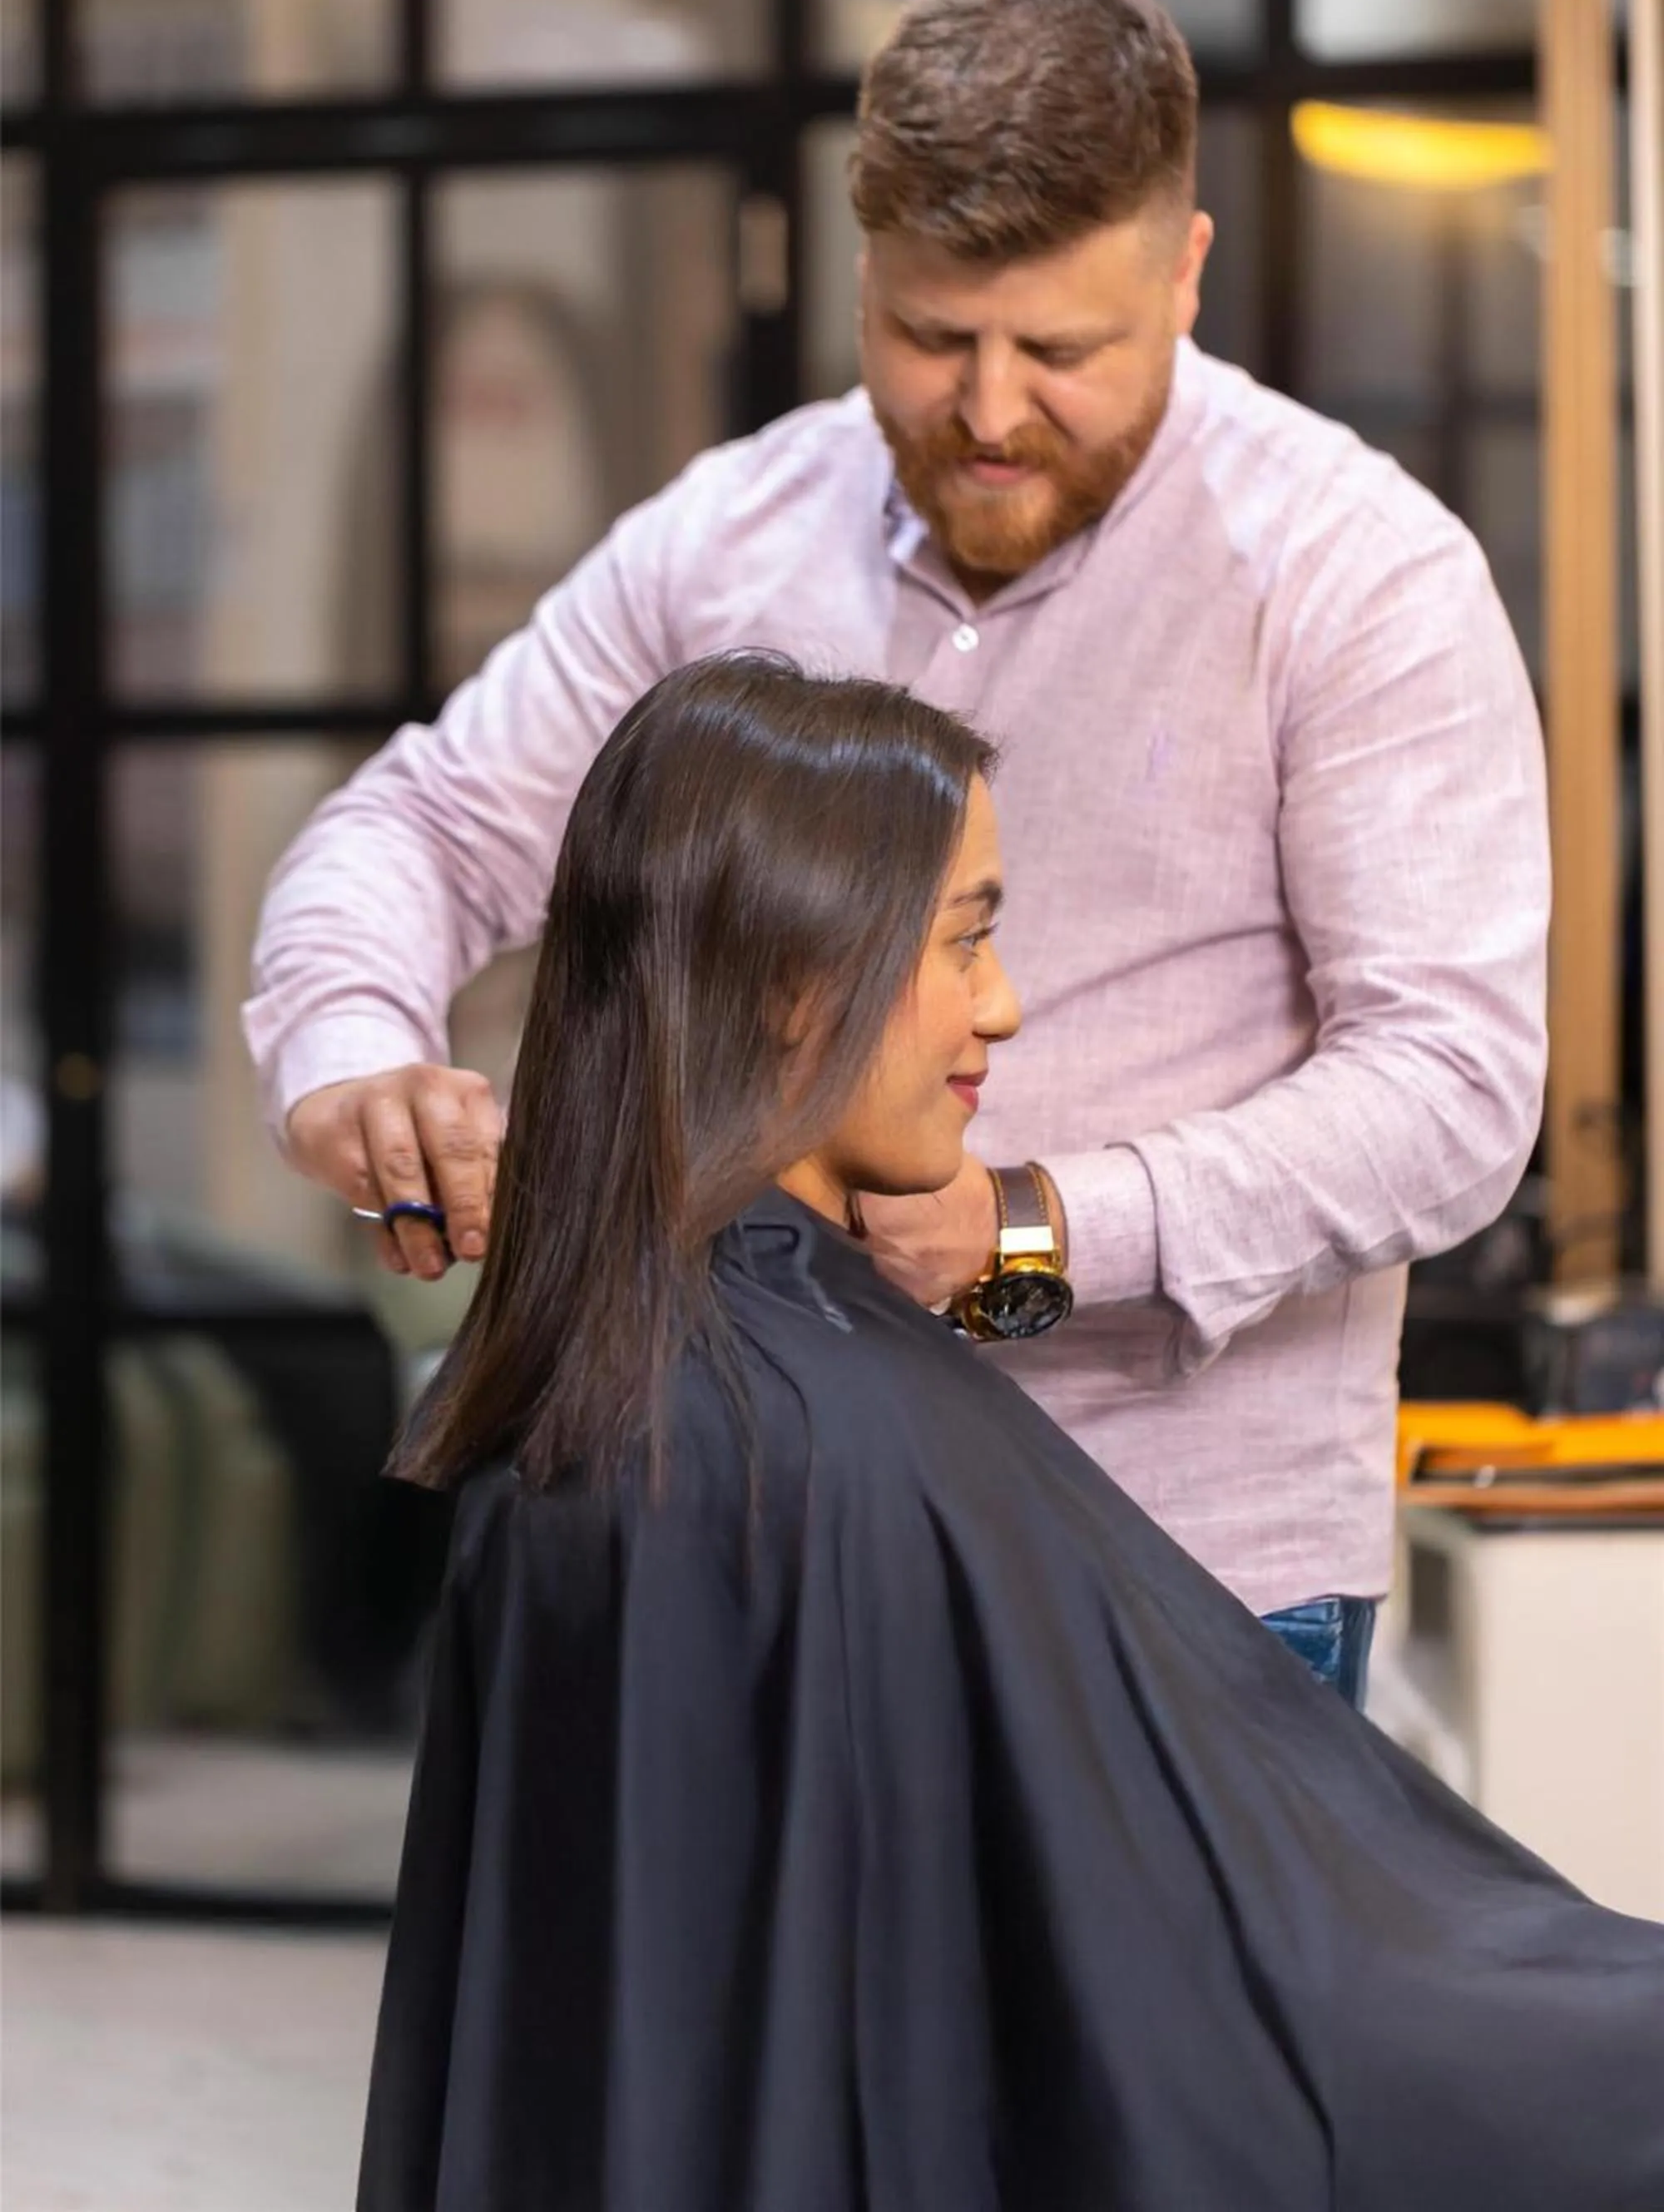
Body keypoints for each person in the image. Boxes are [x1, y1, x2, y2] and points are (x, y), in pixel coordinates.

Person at [248, 0, 1550, 1692]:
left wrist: (1032, 1237)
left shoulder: (1356, 577)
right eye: (932, 338)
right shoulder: (728, 538)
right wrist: (351, 1052)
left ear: (1184, 272)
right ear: (861, 270)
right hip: (754, 1526)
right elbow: (423, 825)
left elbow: (1453, 1089)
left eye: (1060, 349)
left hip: (1185, 1566)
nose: (992, 411)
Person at [356, 655, 1660, 2212]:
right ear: (791, 976)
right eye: (967, 935)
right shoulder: (792, 1438)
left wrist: (1034, 1242)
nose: (1008, 1004)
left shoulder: (636, 1389)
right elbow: (1211, 2017)